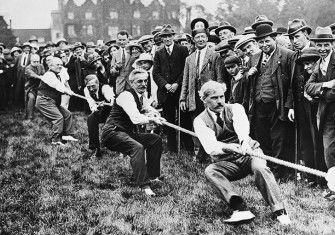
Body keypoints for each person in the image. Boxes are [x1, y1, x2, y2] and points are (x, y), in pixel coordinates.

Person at [193, 81, 291, 225]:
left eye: (222, 96)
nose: (220, 101)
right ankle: (240, 208)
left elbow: (242, 128)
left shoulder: (236, 108)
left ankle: (280, 211)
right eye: (214, 98)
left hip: (249, 154)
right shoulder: (199, 121)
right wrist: (230, 147)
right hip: (227, 161)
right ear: (204, 100)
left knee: (261, 168)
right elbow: (210, 147)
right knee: (210, 171)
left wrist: (244, 143)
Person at [101, 69, 165, 196]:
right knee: (137, 147)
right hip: (112, 133)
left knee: (155, 139)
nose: (143, 84)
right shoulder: (126, 96)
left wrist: (156, 115)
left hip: (126, 133)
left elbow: (147, 109)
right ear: (131, 83)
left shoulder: (142, 95)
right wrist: (152, 119)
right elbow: (136, 118)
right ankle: (144, 185)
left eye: (145, 81)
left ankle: (152, 176)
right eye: (139, 81)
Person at [246, 24, 295, 179]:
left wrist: (289, 106)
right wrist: (249, 74)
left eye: (267, 41)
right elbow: (246, 84)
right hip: (259, 104)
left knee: (278, 138)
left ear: (274, 39)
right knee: (263, 138)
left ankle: (279, 173)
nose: (264, 45)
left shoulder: (287, 55)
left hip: (277, 105)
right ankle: (266, 170)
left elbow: (292, 85)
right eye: (261, 42)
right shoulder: (254, 58)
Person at [153, 25, 193, 153]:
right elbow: (156, 73)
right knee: (169, 120)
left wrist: (177, 84)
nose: (167, 39)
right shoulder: (159, 53)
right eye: (164, 36)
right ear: (161, 38)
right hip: (166, 92)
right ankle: (172, 148)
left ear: (173, 36)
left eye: (169, 36)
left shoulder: (182, 50)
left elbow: (185, 70)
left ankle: (187, 147)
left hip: (180, 91)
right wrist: (165, 85)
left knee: (184, 119)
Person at [305, 26, 335, 172]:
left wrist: (321, 94)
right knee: (328, 150)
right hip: (326, 115)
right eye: (319, 45)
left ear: (332, 44)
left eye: (326, 45)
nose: (322, 48)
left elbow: (332, 94)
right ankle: (333, 187)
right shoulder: (318, 64)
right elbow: (308, 87)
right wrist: (325, 84)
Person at [35, 57, 77, 146]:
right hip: (44, 101)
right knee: (58, 118)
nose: (60, 66)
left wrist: (69, 90)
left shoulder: (58, 75)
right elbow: (57, 86)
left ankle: (67, 135)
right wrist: (68, 91)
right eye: (57, 65)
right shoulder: (48, 75)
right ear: (50, 66)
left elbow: (63, 85)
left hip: (52, 101)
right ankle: (55, 140)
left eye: (61, 65)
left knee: (67, 115)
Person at [84, 74, 114, 158]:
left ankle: (122, 148)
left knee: (111, 128)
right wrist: (96, 107)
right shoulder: (86, 90)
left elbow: (112, 101)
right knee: (91, 118)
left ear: (98, 83)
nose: (91, 89)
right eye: (88, 87)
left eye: (93, 86)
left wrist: (106, 102)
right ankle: (94, 148)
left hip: (113, 110)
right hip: (101, 110)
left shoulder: (105, 88)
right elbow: (92, 105)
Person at [24, 54, 45, 120]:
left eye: (37, 61)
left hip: (40, 87)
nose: (36, 63)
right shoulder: (28, 68)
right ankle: (29, 116)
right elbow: (33, 75)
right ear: (31, 61)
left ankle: (45, 115)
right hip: (30, 87)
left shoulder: (41, 66)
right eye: (34, 62)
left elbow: (43, 73)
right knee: (31, 98)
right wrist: (40, 77)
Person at [110, 30, 131, 95]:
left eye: (124, 40)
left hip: (131, 82)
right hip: (120, 83)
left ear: (128, 40)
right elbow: (112, 70)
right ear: (117, 40)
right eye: (120, 40)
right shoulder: (115, 54)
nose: (122, 42)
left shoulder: (132, 51)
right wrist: (115, 68)